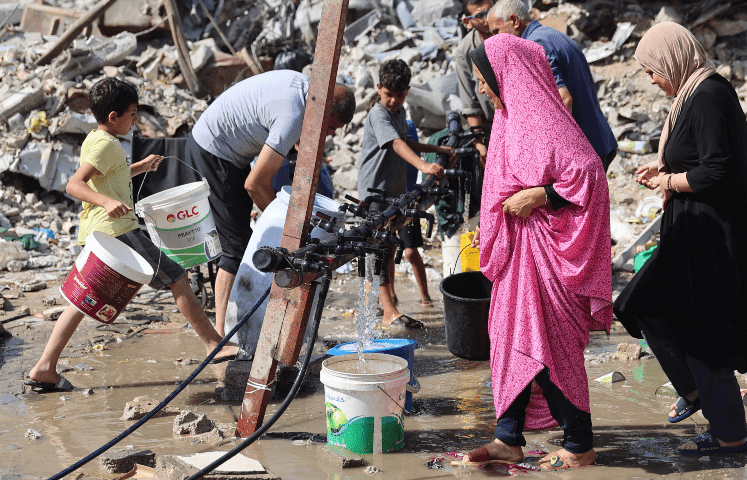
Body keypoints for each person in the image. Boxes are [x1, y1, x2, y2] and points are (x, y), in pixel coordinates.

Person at [613, 22, 747, 455]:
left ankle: (730, 438)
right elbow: (698, 161)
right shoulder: (692, 95)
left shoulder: (708, 96)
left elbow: (717, 171)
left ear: (673, 59)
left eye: (653, 71)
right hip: (690, 234)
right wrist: (663, 175)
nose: (652, 81)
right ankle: (695, 396)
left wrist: (669, 178)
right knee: (641, 304)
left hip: (710, 241)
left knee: (703, 336)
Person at [25, 78, 239, 392]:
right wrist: (109, 202)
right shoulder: (104, 144)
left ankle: (45, 366)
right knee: (177, 277)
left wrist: (141, 166)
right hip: (119, 232)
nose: (136, 120)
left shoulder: (99, 139)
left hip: (101, 234)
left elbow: (111, 175)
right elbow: (75, 185)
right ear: (113, 117)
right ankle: (212, 344)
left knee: (84, 301)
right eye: (132, 113)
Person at [464, 34, 611, 469]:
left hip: (551, 259)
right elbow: (501, 188)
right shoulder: (508, 119)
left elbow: (589, 174)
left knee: (544, 344)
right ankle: (507, 437)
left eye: (484, 80)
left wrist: (542, 195)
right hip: (520, 254)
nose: (482, 90)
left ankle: (580, 444)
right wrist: (492, 227)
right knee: (510, 338)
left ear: (506, 74)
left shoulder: (544, 120)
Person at [184, 70, 355, 337]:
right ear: (322, 113)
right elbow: (254, 184)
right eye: (331, 128)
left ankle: (242, 326)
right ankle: (221, 337)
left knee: (244, 241)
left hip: (229, 151)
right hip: (213, 151)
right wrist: (290, 227)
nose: (330, 135)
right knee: (236, 249)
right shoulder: (294, 114)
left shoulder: (305, 89)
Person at [357, 59, 452, 328]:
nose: (394, 100)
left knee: (385, 251)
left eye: (400, 95)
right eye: (389, 95)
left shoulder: (398, 112)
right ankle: (388, 312)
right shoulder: (378, 113)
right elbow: (397, 143)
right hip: (374, 194)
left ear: (407, 92)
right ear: (378, 88)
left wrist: (440, 152)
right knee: (376, 251)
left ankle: (375, 307)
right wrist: (424, 166)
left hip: (393, 194)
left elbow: (407, 141)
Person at [487, 0, 617, 171]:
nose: (496, 39)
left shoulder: (534, 44)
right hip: (597, 141)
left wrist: (560, 157)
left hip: (581, 153)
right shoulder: (552, 35)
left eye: (497, 31)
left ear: (515, 21)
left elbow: (564, 99)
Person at [455, 0, 494, 166]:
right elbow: (471, 105)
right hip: (493, 129)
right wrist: (479, 143)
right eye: (480, 16)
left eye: (490, 11)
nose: (487, 19)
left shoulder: (511, 33)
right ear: (467, 22)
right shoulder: (465, 53)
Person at [400, 119, 434, 308]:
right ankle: (391, 297)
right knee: (387, 253)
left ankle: (424, 294)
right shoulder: (380, 126)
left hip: (407, 197)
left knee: (411, 251)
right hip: (386, 197)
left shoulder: (407, 125)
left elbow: (413, 157)